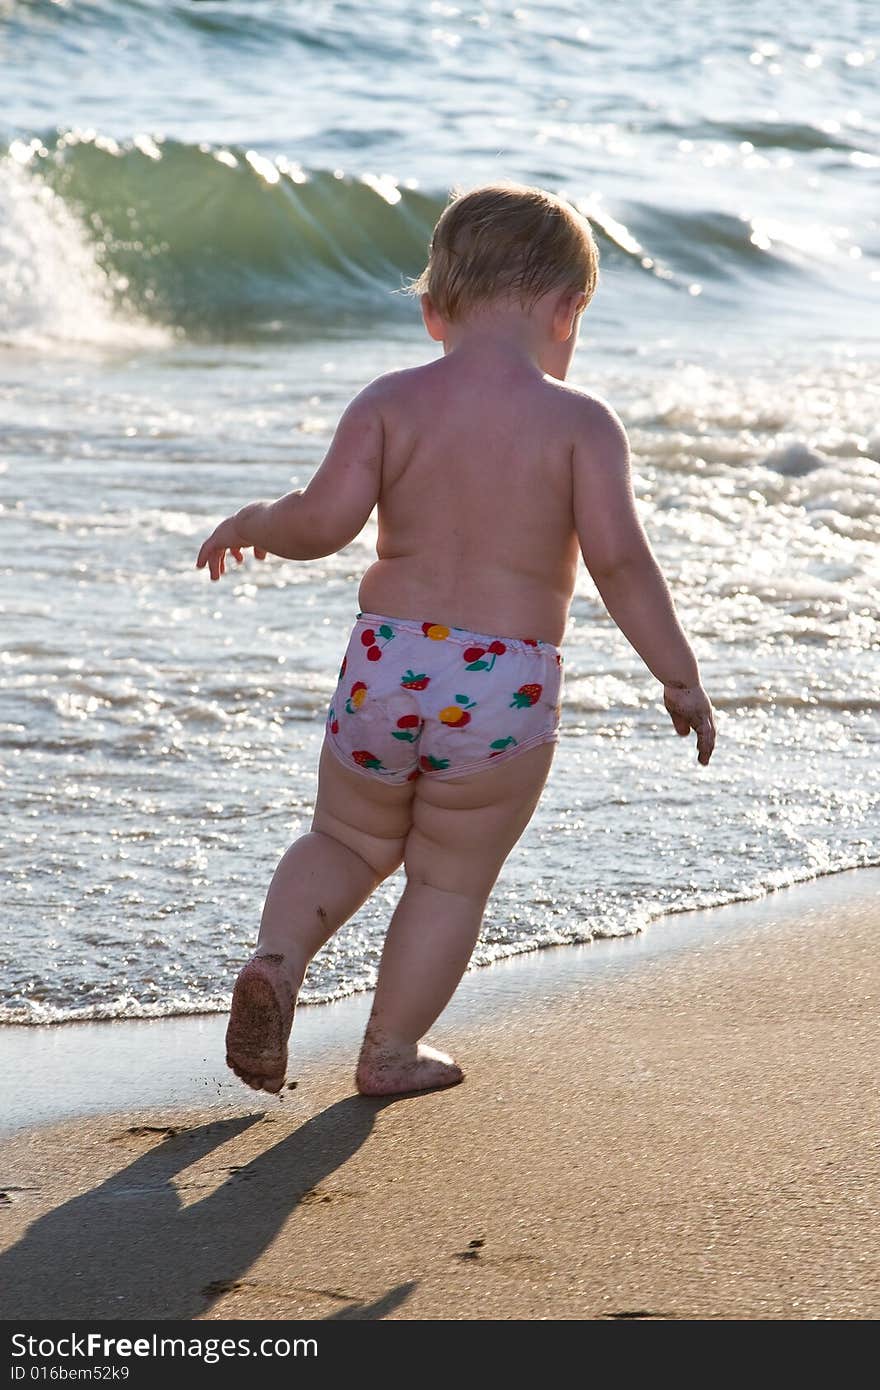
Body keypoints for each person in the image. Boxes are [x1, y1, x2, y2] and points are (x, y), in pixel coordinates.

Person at [195, 182, 716, 1098]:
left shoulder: (392, 401)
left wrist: (255, 520)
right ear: (568, 312)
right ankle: (389, 1051)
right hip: (500, 686)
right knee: (446, 881)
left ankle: (277, 960)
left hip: (386, 662)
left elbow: (322, 522)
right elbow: (622, 565)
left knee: (347, 839)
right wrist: (679, 678)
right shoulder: (581, 425)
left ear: (433, 311)